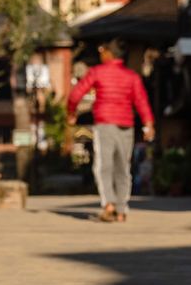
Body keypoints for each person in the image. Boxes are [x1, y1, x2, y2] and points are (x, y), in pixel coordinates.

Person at [65, 40, 155, 222]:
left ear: (108, 53)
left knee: (103, 167)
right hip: (126, 126)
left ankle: (109, 204)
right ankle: (121, 210)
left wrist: (72, 111)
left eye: (102, 49)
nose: (100, 52)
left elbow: (76, 93)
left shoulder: (98, 72)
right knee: (123, 167)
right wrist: (148, 124)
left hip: (104, 124)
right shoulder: (132, 76)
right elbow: (141, 101)